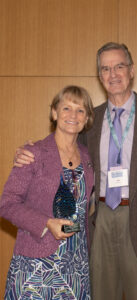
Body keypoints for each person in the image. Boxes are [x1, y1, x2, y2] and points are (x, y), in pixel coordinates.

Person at [13, 42, 137, 300]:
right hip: (101, 223)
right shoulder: (90, 120)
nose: (113, 74)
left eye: (119, 66)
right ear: (100, 76)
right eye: (105, 69)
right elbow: (63, 150)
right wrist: (28, 150)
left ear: (131, 71)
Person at [0, 85, 94, 300]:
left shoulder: (88, 157)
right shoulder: (34, 153)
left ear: (87, 117)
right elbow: (7, 204)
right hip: (35, 265)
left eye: (80, 110)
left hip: (76, 266)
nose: (73, 115)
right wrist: (45, 223)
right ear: (54, 113)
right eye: (66, 108)